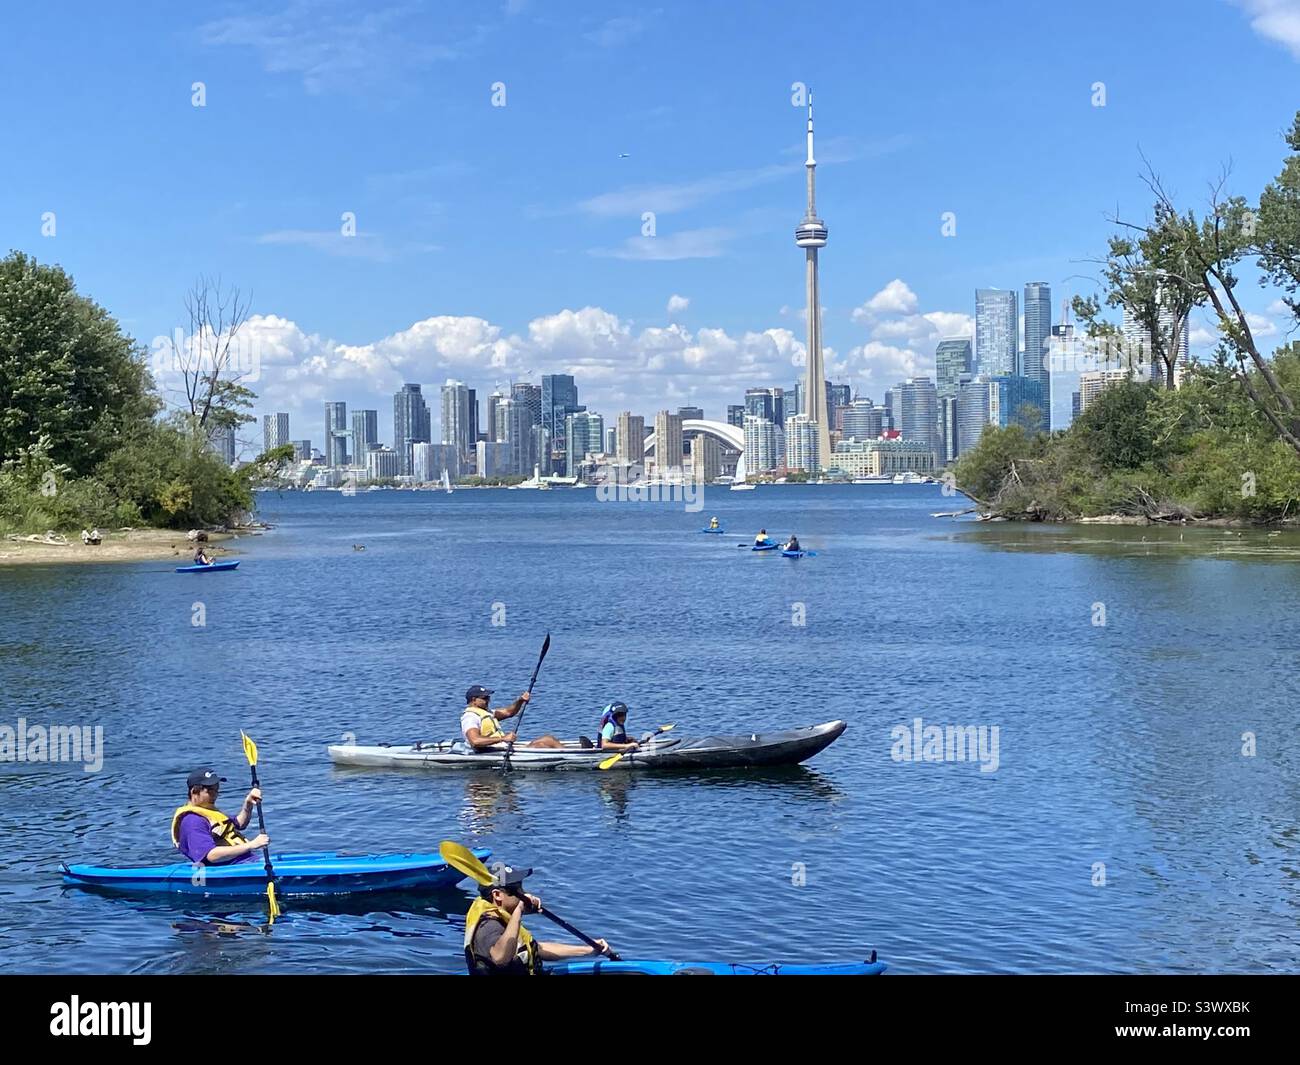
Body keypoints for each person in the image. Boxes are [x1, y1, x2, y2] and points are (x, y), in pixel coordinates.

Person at [464, 864, 612, 975]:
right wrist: (518, 911)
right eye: (517, 891)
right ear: (497, 895)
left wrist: (588, 951)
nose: (524, 893)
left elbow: (536, 949)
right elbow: (500, 957)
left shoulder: (503, 917)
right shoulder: (488, 926)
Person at [171, 768, 269, 866]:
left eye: (216, 790)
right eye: (210, 791)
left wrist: (248, 803)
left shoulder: (209, 812)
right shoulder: (192, 821)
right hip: (229, 869)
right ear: (194, 792)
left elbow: (240, 823)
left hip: (246, 862)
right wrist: (251, 845)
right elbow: (211, 855)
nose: (215, 795)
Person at [461, 685, 563, 751]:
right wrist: (503, 738)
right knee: (540, 746)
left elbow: (509, 712)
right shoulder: (470, 717)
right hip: (492, 751)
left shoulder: (487, 712)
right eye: (485, 698)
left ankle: (571, 755)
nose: (488, 700)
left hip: (504, 747)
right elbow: (475, 741)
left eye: (488, 697)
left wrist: (520, 700)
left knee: (548, 739)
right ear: (474, 700)